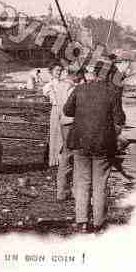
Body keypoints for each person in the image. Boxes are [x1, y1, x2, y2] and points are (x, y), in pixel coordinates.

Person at [62, 60, 125, 233]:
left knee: (82, 182)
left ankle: (81, 221)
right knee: (100, 183)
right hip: (103, 145)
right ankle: (98, 223)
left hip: (80, 142)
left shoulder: (80, 89)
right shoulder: (113, 92)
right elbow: (120, 120)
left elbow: (67, 111)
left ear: (95, 73)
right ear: (109, 75)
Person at [55, 65, 78, 201]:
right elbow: (73, 108)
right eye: (80, 74)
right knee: (72, 157)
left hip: (63, 122)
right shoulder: (72, 88)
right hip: (71, 123)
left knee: (66, 155)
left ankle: (62, 190)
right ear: (74, 75)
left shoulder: (60, 86)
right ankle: (65, 191)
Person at [42, 64, 64, 167]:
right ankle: (53, 159)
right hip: (56, 109)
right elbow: (49, 97)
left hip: (64, 110)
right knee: (54, 134)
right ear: (51, 71)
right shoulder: (48, 85)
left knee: (63, 134)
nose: (59, 72)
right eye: (57, 70)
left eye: (60, 70)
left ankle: (61, 159)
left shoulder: (65, 83)